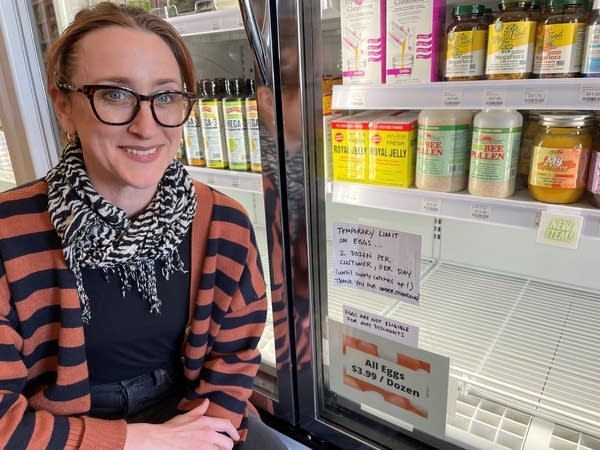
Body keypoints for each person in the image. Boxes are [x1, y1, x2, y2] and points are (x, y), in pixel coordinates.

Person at [0, 2, 287, 449]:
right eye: (115, 94)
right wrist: (136, 441)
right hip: (58, 430)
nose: (146, 125)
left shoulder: (223, 225)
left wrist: (197, 437)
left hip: (189, 415)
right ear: (63, 105)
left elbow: (232, 362)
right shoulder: (7, 236)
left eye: (166, 96)